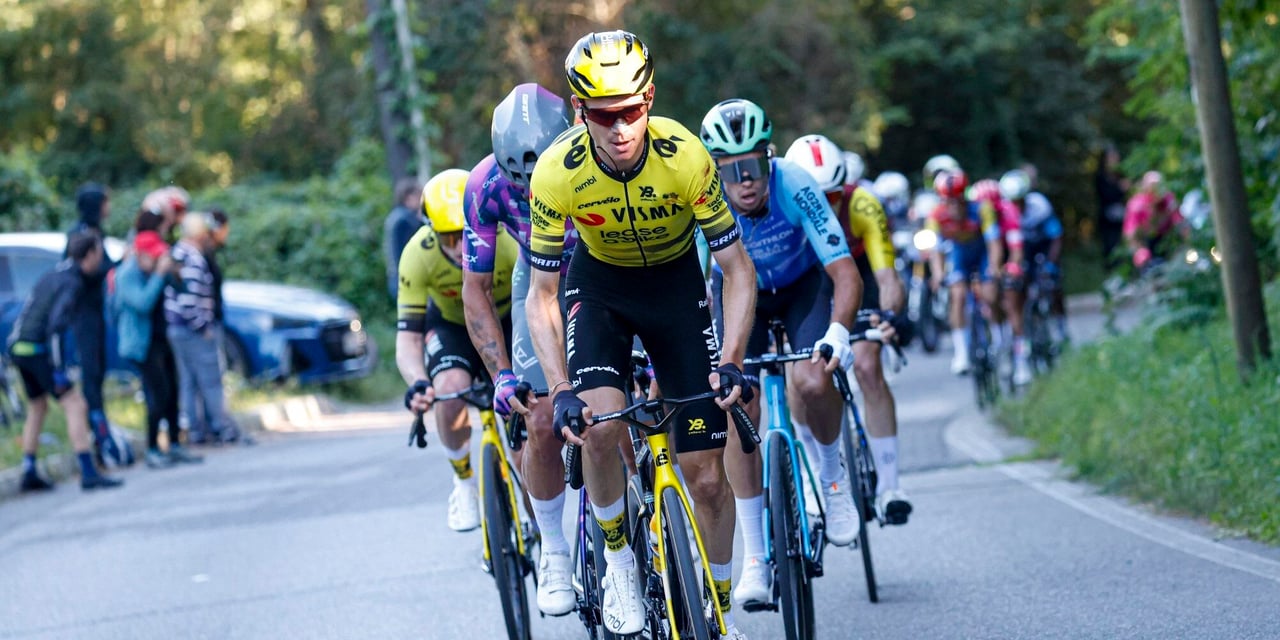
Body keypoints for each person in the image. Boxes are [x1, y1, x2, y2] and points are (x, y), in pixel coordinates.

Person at [525, 30, 757, 639]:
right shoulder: (555, 174)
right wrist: (558, 388)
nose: (620, 127)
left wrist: (730, 358)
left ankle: (722, 596)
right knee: (598, 428)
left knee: (707, 474)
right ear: (580, 113)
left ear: (649, 97)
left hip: (677, 292)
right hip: (599, 290)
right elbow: (542, 295)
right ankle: (619, 561)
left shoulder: (686, 156)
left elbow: (736, 269)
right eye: (603, 115)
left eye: (630, 110)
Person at [697, 109, 860, 608]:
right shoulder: (702, 199)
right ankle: (754, 559)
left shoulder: (795, 183)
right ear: (714, 171)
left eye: (752, 166)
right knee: (735, 404)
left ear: (770, 158)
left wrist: (838, 329)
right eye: (729, 170)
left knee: (813, 381)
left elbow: (845, 271)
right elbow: (697, 287)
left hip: (800, 290)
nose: (744, 183)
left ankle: (833, 482)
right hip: (739, 295)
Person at [460, 83, 577, 615]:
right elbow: (476, 290)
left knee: (624, 408)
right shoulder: (484, 186)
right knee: (542, 416)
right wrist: (503, 373)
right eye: (520, 181)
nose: (533, 193)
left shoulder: (592, 153)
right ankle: (555, 552)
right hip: (539, 277)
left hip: (606, 267)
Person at [785, 133, 915, 528]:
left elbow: (886, 276)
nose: (823, 205)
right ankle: (815, 471)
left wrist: (887, 316)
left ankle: (891, 487)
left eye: (832, 196)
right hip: (811, 280)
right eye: (814, 194)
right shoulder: (786, 206)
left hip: (856, 275)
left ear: (846, 189)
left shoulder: (862, 204)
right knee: (799, 369)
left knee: (868, 364)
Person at [400, 169, 520, 533]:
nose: (458, 246)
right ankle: (463, 481)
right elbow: (408, 337)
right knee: (448, 389)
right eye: (447, 237)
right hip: (453, 327)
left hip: (507, 320)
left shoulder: (507, 239)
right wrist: (419, 382)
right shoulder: (417, 255)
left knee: (524, 417)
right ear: (431, 232)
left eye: (465, 233)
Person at [8, 232, 124, 491]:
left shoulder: (52, 274)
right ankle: (88, 471)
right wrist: (59, 370)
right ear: (90, 255)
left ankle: (29, 469)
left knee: (38, 406)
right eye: (99, 253)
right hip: (38, 350)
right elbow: (56, 328)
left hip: (18, 347)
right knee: (75, 404)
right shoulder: (72, 283)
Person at [114, 231, 203, 468]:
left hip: (163, 339)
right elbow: (142, 304)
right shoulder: (126, 275)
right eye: (153, 257)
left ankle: (174, 443)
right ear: (141, 255)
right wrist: (159, 275)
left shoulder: (156, 270)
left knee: (173, 391)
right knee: (156, 395)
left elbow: (182, 291)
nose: (156, 260)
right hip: (142, 345)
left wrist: (174, 274)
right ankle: (153, 448)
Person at [165, 214, 244, 445]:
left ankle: (196, 430)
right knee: (210, 380)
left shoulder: (176, 253)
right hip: (191, 329)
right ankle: (221, 427)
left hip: (176, 328)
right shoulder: (192, 258)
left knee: (188, 381)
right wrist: (202, 326)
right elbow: (188, 299)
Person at [66, 183, 125, 467]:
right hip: (83, 316)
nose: (108, 208)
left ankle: (102, 438)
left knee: (98, 376)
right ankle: (98, 439)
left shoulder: (95, 232)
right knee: (91, 379)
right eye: (105, 202)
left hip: (96, 313)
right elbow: (82, 271)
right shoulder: (79, 235)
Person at [926, 170, 1003, 375]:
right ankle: (962, 353)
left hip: (982, 252)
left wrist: (994, 267)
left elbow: (994, 242)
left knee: (990, 295)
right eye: (948, 201)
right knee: (957, 296)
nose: (953, 206)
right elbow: (936, 250)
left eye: (957, 201)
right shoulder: (935, 215)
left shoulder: (982, 209)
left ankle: (999, 340)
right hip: (959, 254)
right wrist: (937, 274)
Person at [1124, 171, 1183, 270]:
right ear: (1145, 187)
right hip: (1146, 244)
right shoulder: (1136, 205)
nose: (1156, 189)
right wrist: (1139, 251)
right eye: (1153, 185)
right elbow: (1130, 233)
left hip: (1168, 240)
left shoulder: (1169, 200)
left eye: (1159, 185)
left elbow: (1180, 222)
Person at [384, 177, 425, 299]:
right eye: (418, 196)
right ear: (408, 197)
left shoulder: (396, 216)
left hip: (397, 277)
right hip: (405, 279)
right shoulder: (405, 219)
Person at [1095, 145, 1130, 271]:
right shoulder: (1101, 176)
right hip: (1108, 219)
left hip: (1123, 216)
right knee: (1110, 245)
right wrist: (1120, 189)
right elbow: (1105, 195)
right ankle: (1112, 271)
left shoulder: (1121, 174)